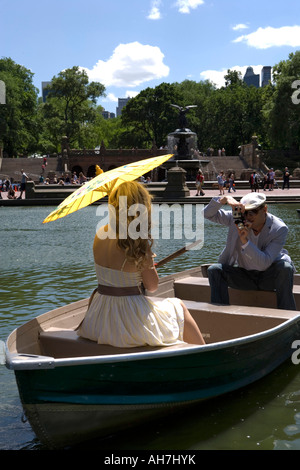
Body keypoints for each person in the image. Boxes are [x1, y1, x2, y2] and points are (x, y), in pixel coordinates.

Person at [78, 181, 205, 347]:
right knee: (178, 306)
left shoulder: (100, 234)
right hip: (128, 320)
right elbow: (152, 286)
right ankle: (204, 351)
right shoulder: (137, 241)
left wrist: (141, 267)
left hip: (99, 316)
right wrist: (148, 264)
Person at [203, 192, 296, 311]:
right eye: (244, 212)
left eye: (252, 212)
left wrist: (245, 242)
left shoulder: (279, 228)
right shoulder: (236, 219)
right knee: (214, 270)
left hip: (270, 277)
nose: (247, 217)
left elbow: (263, 264)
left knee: (285, 268)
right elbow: (207, 214)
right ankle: (220, 315)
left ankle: (287, 315)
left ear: (265, 209)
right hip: (245, 276)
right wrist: (224, 199)